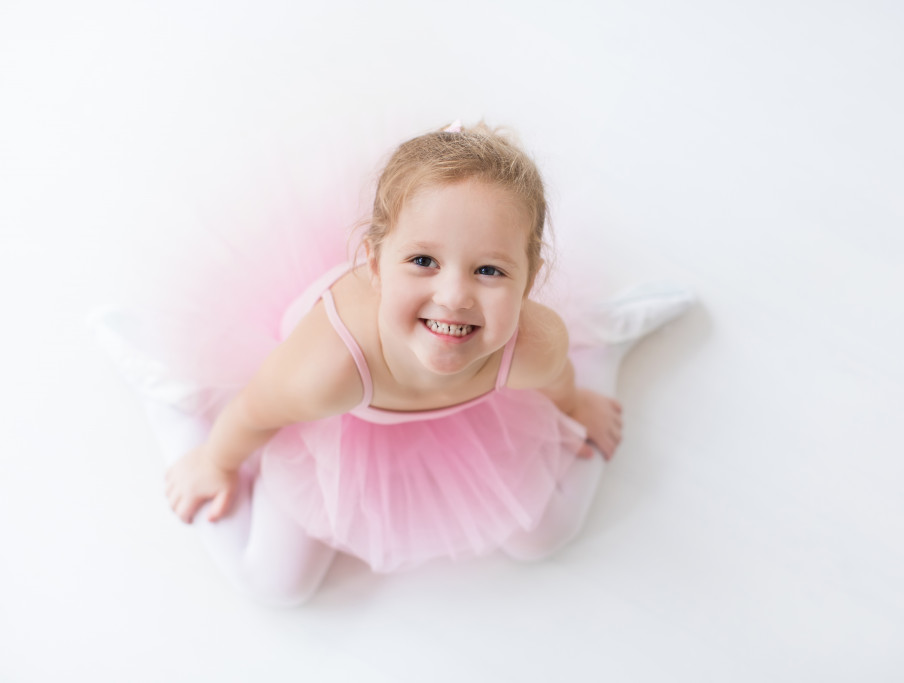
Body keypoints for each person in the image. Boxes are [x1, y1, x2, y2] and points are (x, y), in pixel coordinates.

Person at [97, 121, 691, 606]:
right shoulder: (327, 367)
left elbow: (554, 375)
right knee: (275, 584)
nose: (455, 296)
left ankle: (605, 349)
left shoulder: (531, 342)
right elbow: (256, 409)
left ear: (530, 279)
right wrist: (217, 462)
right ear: (376, 264)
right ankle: (172, 406)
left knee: (543, 536)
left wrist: (577, 400)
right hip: (340, 425)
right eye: (423, 261)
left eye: (490, 271)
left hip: (455, 418)